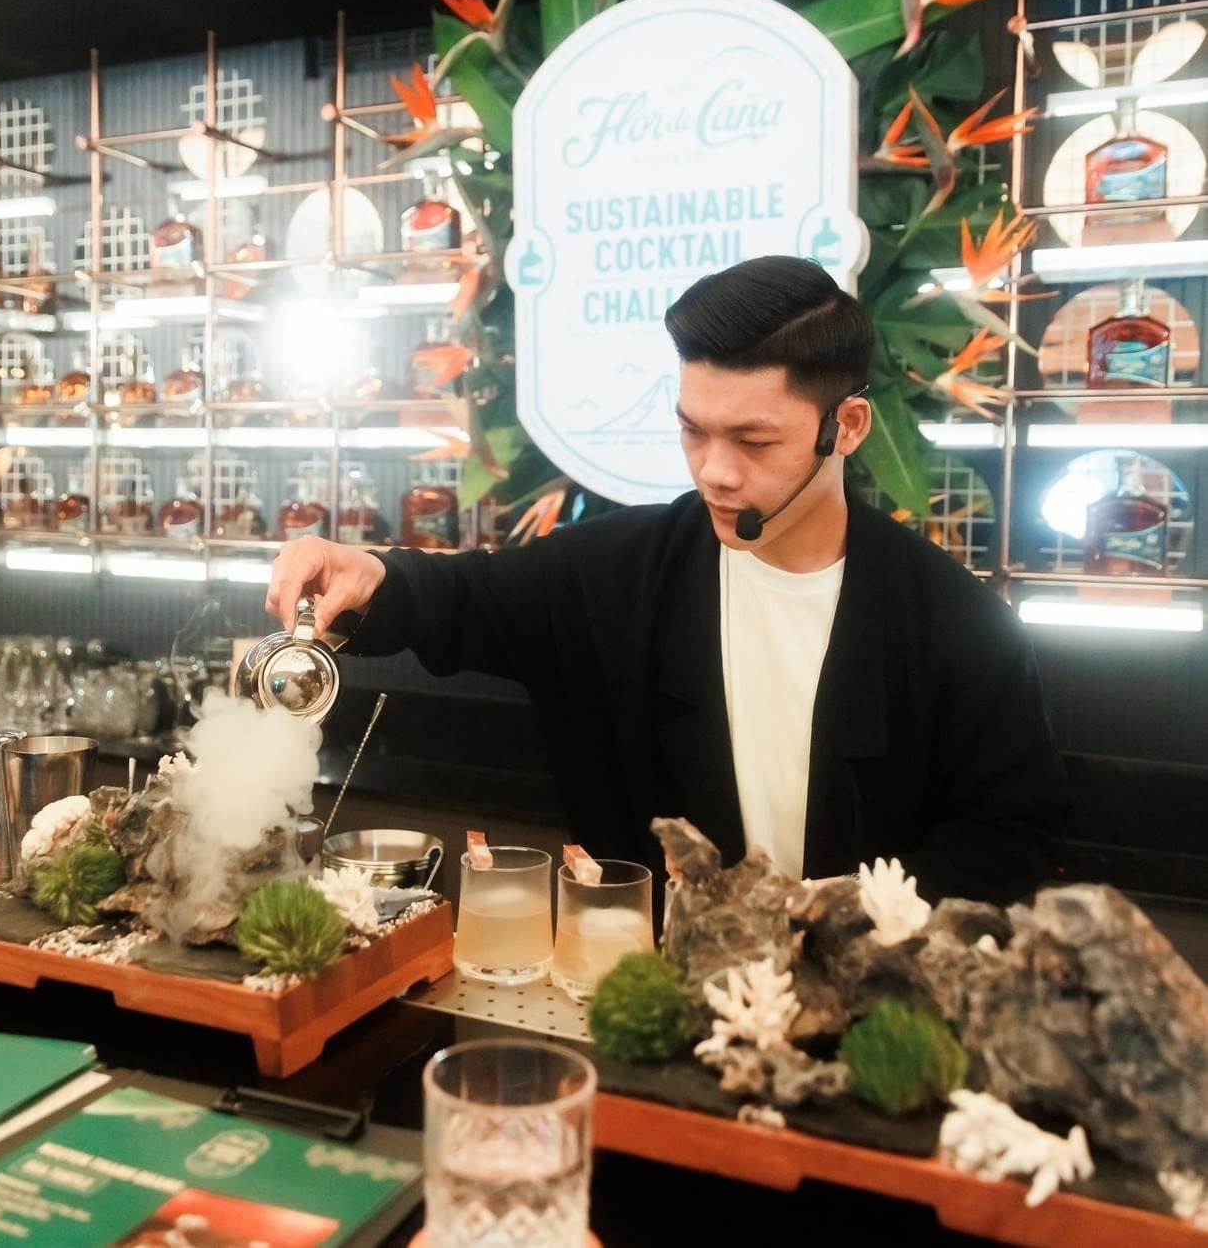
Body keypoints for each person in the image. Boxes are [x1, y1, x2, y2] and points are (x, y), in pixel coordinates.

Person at [267, 256, 1071, 905]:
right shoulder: (620, 572)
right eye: (693, 430)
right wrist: (369, 574)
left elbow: (1010, 838)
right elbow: (462, 598)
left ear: (846, 426)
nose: (714, 471)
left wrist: (854, 918)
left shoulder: (955, 623)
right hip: (654, 1006)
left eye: (753, 441)